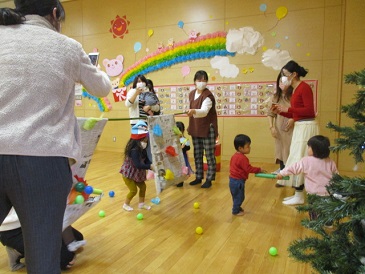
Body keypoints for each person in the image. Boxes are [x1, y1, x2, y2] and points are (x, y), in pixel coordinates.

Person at [0, 1, 111, 273]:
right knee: (43, 258)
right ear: (54, 14)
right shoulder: (67, 46)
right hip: (42, 163)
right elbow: (102, 87)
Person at [272, 60, 319, 205]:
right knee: (297, 159)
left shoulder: (304, 88)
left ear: (294, 74)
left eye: (285, 75)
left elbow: (310, 111)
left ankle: (300, 194)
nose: (283, 78)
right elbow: (297, 114)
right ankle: (298, 193)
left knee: (300, 160)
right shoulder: (296, 89)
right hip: (300, 125)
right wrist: (282, 111)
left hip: (306, 127)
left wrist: (288, 110)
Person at [0, 208, 85, 271]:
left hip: (36, 219)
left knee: (78, 238)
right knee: (65, 259)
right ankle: (16, 250)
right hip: (12, 231)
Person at [276, 135, 338, 220]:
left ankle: (314, 222)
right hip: (328, 192)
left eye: (309, 147)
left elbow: (293, 168)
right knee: (327, 210)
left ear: (315, 150)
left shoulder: (306, 161)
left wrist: (282, 173)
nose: (307, 149)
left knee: (313, 210)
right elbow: (337, 176)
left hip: (313, 193)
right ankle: (328, 223)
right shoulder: (330, 161)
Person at [187, 70, 218, 188]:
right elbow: (191, 107)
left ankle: (209, 179)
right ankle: (198, 176)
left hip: (207, 128)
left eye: (204, 80)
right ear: (194, 81)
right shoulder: (191, 94)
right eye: (199, 80)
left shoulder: (208, 96)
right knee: (197, 153)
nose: (202, 82)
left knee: (209, 155)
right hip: (195, 127)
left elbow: (204, 111)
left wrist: (193, 111)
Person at [267, 72, 294, 184]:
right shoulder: (275, 96)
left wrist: (293, 119)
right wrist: (271, 127)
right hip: (279, 129)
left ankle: (294, 180)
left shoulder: (294, 95)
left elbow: (299, 112)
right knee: (281, 152)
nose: (282, 84)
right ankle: (282, 178)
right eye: (280, 81)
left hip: (292, 129)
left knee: (292, 152)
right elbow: (270, 113)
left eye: (284, 81)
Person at [120, 121, 153, 211]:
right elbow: (138, 164)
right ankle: (125, 204)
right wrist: (150, 166)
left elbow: (146, 160)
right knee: (133, 190)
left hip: (137, 173)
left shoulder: (143, 148)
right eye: (144, 140)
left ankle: (141, 204)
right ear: (138, 140)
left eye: (146, 140)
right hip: (129, 174)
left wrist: (152, 164)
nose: (146, 142)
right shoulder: (134, 150)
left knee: (143, 187)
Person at [229, 134, 263, 216]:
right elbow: (248, 168)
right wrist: (259, 170)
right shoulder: (242, 158)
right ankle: (235, 210)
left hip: (232, 180)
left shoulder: (234, 156)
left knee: (236, 196)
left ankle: (237, 207)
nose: (250, 148)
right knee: (240, 197)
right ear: (240, 148)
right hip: (238, 182)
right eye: (248, 146)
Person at [175, 121, 194, 187]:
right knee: (176, 168)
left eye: (180, 131)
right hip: (175, 158)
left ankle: (181, 181)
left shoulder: (184, 139)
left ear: (182, 131)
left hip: (182, 157)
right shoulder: (174, 140)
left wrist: (183, 147)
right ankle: (176, 180)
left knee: (182, 169)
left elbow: (188, 147)